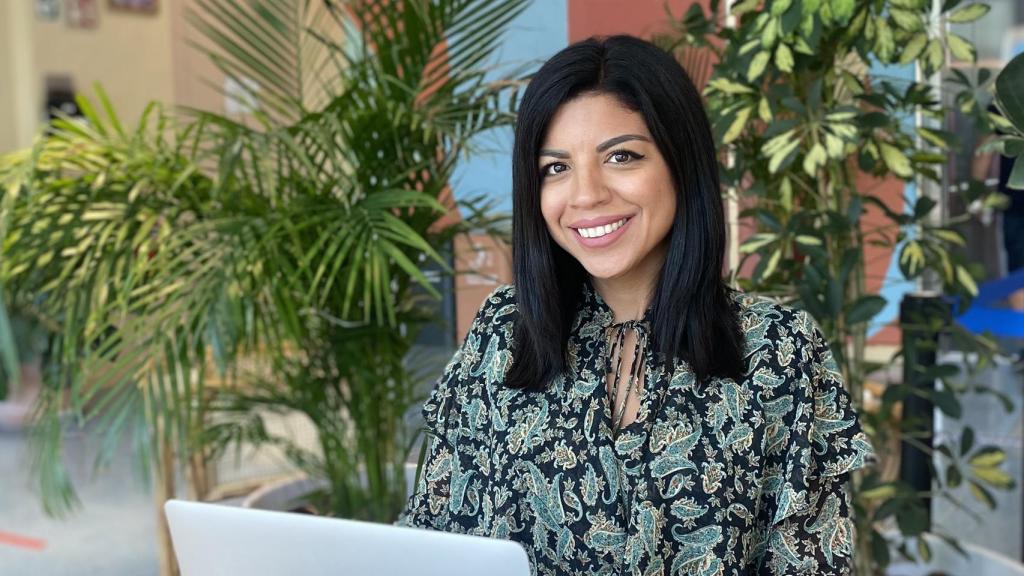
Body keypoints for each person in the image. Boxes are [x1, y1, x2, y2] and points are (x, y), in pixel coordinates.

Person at [396, 35, 876, 575]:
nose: (585, 195)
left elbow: (809, 560)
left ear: (680, 162)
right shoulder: (502, 332)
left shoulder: (778, 347)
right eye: (555, 168)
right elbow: (431, 539)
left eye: (621, 156)